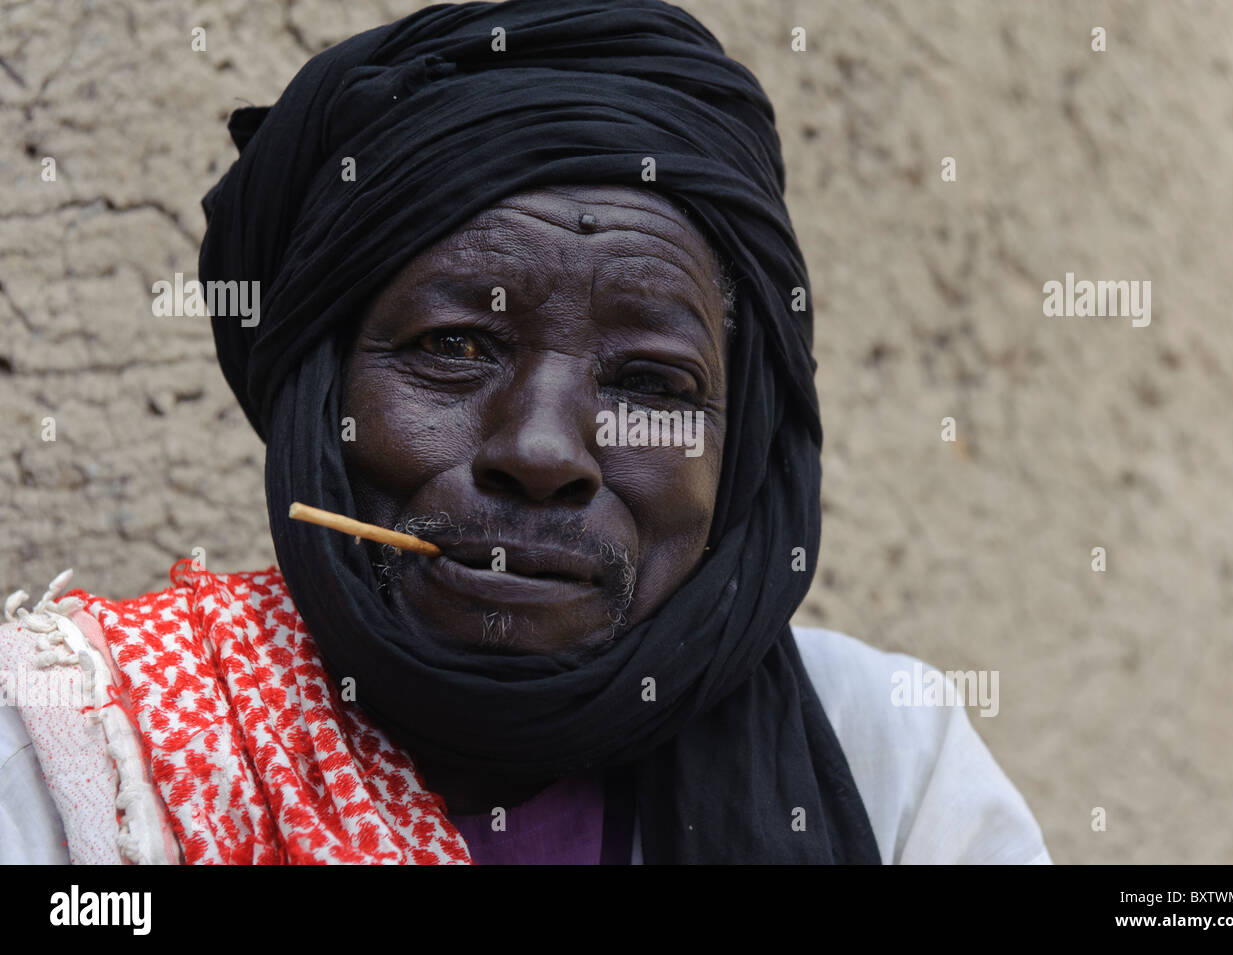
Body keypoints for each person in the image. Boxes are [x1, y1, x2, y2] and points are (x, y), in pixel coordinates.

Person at [0, 0, 1050, 864]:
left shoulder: (891, 757)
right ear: (317, 400)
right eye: (454, 348)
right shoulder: (81, 762)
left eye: (648, 379)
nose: (542, 453)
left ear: (743, 445)